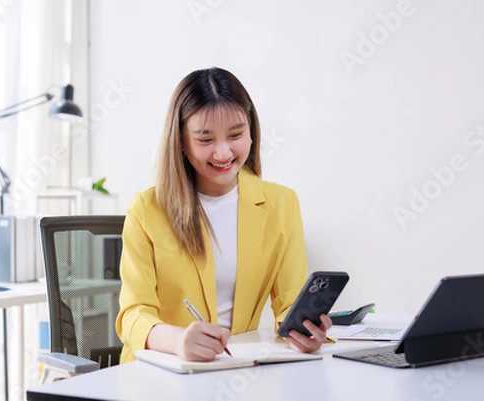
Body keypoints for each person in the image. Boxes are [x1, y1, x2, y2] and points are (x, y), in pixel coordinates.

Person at [116, 67, 331, 364]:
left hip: (237, 369)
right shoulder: (147, 209)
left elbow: (290, 302)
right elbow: (133, 314)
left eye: (235, 134)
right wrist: (178, 341)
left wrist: (306, 333)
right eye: (205, 140)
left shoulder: (282, 203)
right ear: (180, 141)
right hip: (161, 371)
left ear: (251, 131)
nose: (223, 153)